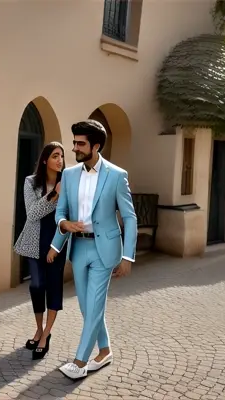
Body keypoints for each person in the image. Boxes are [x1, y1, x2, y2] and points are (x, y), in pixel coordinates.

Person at [46, 119, 137, 380]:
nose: (74, 148)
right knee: (88, 308)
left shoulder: (117, 175)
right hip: (78, 248)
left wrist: (127, 256)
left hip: (104, 249)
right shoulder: (70, 175)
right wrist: (62, 228)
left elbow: (129, 217)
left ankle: (80, 361)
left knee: (95, 304)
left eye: (80, 143)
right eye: (74, 142)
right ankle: (105, 350)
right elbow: (60, 212)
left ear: (95, 146)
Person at [13, 141, 68, 360]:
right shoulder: (31, 182)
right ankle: (38, 328)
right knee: (37, 286)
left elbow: (69, 214)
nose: (60, 160)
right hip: (34, 243)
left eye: (62, 156)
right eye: (55, 156)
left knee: (54, 287)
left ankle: (46, 334)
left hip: (56, 242)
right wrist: (54, 194)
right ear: (45, 159)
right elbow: (32, 213)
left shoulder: (69, 183)